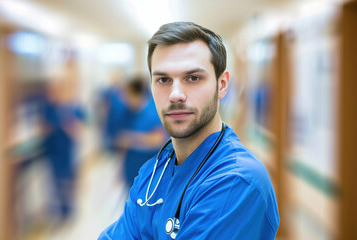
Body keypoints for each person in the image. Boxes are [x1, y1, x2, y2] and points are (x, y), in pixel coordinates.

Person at [98, 22, 279, 239]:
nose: (175, 94)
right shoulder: (153, 173)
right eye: (163, 80)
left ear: (222, 85)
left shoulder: (237, 181)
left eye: (193, 78)